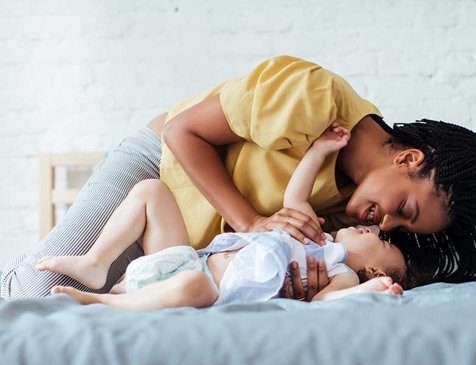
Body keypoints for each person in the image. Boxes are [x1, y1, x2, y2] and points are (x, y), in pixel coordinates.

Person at [2, 55, 476, 301]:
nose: (387, 225)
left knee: (83, 299)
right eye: (404, 210)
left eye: (402, 230)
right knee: (37, 289)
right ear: (409, 159)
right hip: (160, 171)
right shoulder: (313, 97)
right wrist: (252, 221)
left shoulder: (353, 217)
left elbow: (313, 264)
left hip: (188, 254)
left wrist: (303, 286)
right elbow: (184, 130)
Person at [35, 122, 413, 310]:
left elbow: (325, 306)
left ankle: (106, 305)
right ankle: (96, 262)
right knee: (152, 192)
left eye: (380, 240)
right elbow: (295, 196)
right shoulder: (314, 234)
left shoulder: (341, 272)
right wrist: (318, 151)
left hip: (195, 288)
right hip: (181, 258)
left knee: (196, 288)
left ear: (374, 271)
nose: (374, 227)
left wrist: (368, 291)